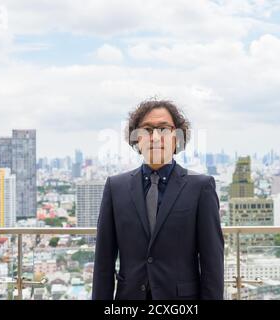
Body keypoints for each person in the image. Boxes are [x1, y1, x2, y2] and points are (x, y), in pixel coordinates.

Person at [92, 99, 224, 300]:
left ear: (177, 137)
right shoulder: (115, 188)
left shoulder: (200, 187)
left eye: (164, 129)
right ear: (136, 138)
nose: (155, 137)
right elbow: (103, 262)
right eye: (147, 129)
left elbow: (212, 263)